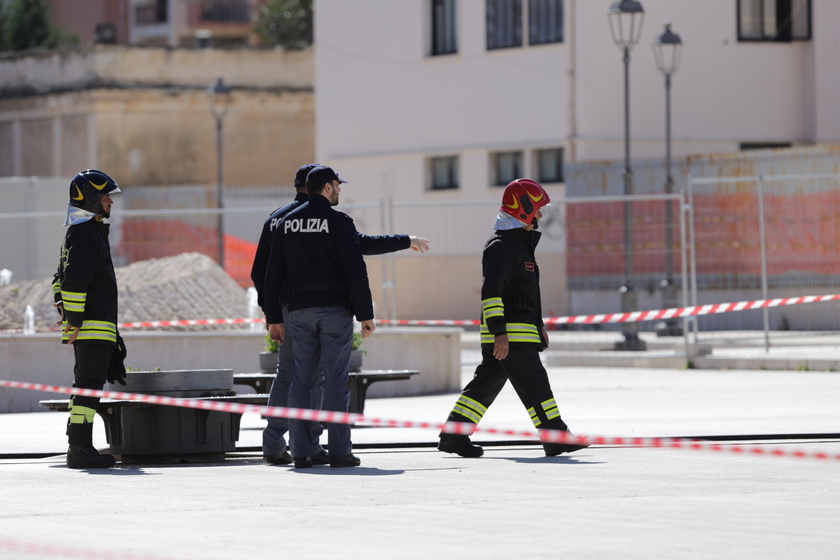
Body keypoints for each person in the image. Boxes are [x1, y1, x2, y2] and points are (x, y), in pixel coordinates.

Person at [252, 164, 429, 465]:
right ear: (327, 187)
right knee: (334, 381)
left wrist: (273, 316)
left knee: (298, 382)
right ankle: (339, 451)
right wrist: (365, 314)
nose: (340, 190)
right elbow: (355, 270)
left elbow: (268, 274)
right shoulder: (338, 221)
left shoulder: (284, 222)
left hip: (297, 312)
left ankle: (300, 452)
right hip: (334, 311)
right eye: (337, 185)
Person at [437, 178, 588, 458]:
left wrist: (539, 324)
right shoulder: (501, 246)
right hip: (510, 336)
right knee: (535, 384)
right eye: (537, 209)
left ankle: (453, 437)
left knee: (484, 386)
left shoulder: (518, 245)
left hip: (518, 333)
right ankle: (556, 438)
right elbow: (491, 293)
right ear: (523, 209)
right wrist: (499, 333)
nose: (541, 215)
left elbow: (526, 292)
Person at [52, 169, 127, 469]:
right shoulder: (85, 235)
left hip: (93, 327)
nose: (111, 201)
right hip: (90, 328)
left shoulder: (83, 233)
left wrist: (110, 333)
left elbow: (60, 281)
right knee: (88, 387)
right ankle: (80, 449)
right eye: (106, 196)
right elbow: (71, 284)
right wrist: (75, 321)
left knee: (85, 386)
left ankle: (79, 446)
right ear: (93, 199)